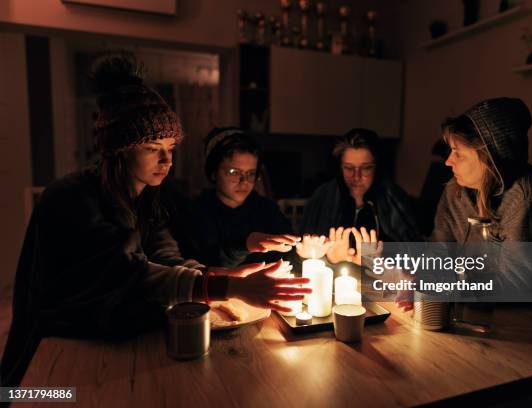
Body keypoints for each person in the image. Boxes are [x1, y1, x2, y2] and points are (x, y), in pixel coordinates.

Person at [0, 54, 309, 387]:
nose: (166, 160)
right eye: (151, 147)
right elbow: (131, 274)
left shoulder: (148, 196)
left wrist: (227, 274)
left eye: (171, 147)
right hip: (51, 353)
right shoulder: (72, 198)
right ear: (118, 149)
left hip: (107, 340)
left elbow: (167, 258)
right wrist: (229, 287)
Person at [397, 97, 532, 312]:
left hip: (531, 324)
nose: (448, 161)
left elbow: (515, 290)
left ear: (490, 159)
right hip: (471, 312)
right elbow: (438, 251)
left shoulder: (526, 199)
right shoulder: (454, 189)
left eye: (458, 153)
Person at [167, 127, 299, 268]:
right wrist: (245, 245)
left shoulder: (267, 209)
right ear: (214, 173)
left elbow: (290, 257)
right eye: (234, 172)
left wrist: (303, 253)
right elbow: (205, 265)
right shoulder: (197, 212)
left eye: (251, 173)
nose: (244, 181)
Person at [300, 128, 421, 265]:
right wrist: (329, 259)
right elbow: (301, 251)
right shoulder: (324, 196)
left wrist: (380, 261)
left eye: (366, 168)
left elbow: (416, 257)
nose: (356, 177)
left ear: (377, 167)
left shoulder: (393, 198)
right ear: (340, 167)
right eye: (348, 168)